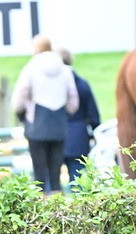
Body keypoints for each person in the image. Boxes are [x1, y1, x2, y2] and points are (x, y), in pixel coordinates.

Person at [12, 35, 79, 194]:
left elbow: (20, 96)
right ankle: (57, 205)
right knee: (55, 173)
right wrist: (65, 113)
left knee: (39, 172)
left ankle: (41, 206)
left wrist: (22, 113)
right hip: (59, 125)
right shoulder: (63, 68)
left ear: (36, 48)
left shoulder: (31, 67)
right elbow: (73, 99)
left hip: (36, 125)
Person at [57, 48, 102, 188]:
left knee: (50, 184)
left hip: (54, 135)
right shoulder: (82, 84)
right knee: (78, 183)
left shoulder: (51, 85)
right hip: (78, 136)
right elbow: (94, 116)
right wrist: (96, 134)